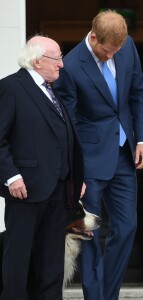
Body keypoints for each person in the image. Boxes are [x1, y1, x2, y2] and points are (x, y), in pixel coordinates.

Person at [54, 10, 143, 300]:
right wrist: (74, 169)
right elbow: (68, 122)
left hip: (124, 153)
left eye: (116, 51)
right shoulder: (69, 66)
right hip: (90, 160)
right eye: (107, 52)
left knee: (128, 225)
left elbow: (138, 93)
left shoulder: (127, 46)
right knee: (91, 234)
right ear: (93, 37)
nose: (112, 56)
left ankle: (109, 294)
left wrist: (142, 139)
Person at [0, 35, 85, 300]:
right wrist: (11, 176)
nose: (62, 64)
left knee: (51, 263)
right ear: (37, 61)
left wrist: (74, 176)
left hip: (57, 191)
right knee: (19, 259)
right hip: (24, 190)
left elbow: (61, 139)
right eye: (57, 58)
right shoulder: (10, 88)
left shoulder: (51, 91)